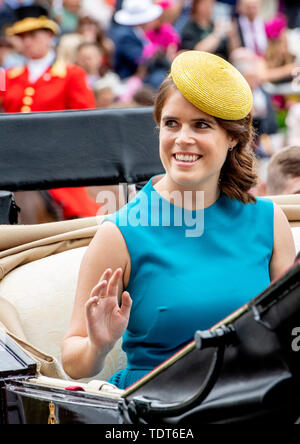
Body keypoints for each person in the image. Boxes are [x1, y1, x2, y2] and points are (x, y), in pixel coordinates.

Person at [62, 50, 296, 388]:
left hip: (253, 398)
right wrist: (98, 344)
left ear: (232, 137)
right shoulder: (121, 233)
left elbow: (288, 332)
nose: (182, 138)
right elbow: (73, 361)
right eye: (172, 123)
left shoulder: (268, 220)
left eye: (201, 125)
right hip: (162, 407)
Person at [0, 4, 99, 222]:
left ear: (49, 34)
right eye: (21, 35)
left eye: (32, 34)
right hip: (12, 156)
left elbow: (85, 121)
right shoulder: (8, 75)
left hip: (54, 158)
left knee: (76, 210)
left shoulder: (71, 74)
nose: (26, 41)